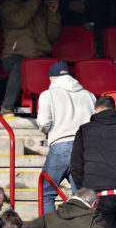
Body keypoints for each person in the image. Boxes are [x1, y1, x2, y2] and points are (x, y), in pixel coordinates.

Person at [0, 0, 61, 115]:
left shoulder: (39, 6)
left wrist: (53, 13)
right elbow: (20, 20)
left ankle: (60, 110)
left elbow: (52, 35)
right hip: (15, 55)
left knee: (60, 68)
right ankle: (6, 107)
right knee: (21, 65)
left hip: (39, 55)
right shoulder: (7, 6)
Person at [35, 62, 95, 213]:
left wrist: (48, 132)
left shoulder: (48, 94)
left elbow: (43, 122)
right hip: (84, 148)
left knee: (46, 193)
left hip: (60, 146)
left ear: (51, 78)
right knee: (82, 196)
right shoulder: (89, 95)